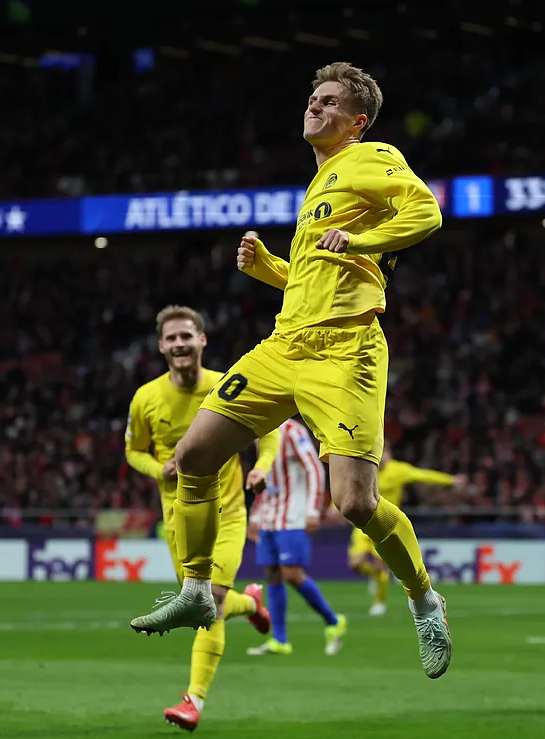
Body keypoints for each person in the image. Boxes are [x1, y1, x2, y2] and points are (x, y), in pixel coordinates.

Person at [128, 62, 452, 679]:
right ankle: (198, 590)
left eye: (329, 102)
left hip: (345, 351)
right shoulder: (320, 184)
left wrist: (361, 243)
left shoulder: (369, 157)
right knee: (194, 454)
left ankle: (423, 599)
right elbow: (317, 279)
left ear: (356, 122)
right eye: (312, 97)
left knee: (355, 502)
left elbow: (427, 213)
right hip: (283, 346)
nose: (314, 106)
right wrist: (272, 268)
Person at [125, 305, 280, 732]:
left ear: (202, 341)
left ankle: (193, 700)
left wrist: (262, 465)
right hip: (178, 517)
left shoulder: (227, 384)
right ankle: (250, 603)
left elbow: (269, 428)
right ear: (161, 347)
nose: (179, 344)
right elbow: (132, 451)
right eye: (171, 339)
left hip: (228, 511)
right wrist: (160, 471)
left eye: (186, 336)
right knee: (204, 605)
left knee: (207, 599)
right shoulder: (146, 398)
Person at [246, 418, 347, 656]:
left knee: (291, 573)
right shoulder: (258, 433)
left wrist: (314, 510)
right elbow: (265, 477)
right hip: (269, 515)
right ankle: (280, 640)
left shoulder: (292, 431)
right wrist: (255, 514)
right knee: (272, 573)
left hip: (294, 515)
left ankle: (333, 621)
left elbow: (313, 468)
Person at [348, 445, 465, 616]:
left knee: (381, 565)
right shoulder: (365, 469)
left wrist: (451, 481)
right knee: (355, 564)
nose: (382, 456)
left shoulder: (398, 470)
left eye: (384, 452)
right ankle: (375, 577)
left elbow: (423, 475)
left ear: (389, 453)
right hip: (362, 525)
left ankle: (379, 603)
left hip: (383, 525)